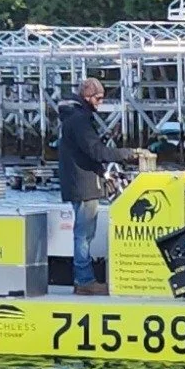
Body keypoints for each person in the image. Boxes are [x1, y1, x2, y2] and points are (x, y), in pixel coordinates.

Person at [56, 78, 125, 294]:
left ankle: (84, 279)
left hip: (77, 181)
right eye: (98, 97)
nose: (100, 102)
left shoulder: (73, 118)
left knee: (83, 232)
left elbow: (87, 148)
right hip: (83, 183)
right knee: (84, 234)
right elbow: (95, 151)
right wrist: (126, 154)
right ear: (87, 96)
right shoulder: (79, 120)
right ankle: (84, 281)